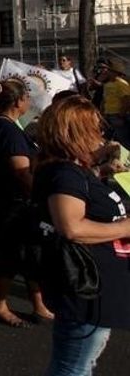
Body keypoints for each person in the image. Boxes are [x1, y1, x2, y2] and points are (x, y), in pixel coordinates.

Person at [33, 95, 130, 375]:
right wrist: (125, 227)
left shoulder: (73, 171)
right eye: (94, 128)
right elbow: (71, 227)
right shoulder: (65, 174)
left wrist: (100, 171)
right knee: (73, 367)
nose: (101, 134)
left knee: (81, 362)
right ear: (76, 132)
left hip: (96, 287)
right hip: (84, 289)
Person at [0, 78, 53, 327]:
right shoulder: (7, 128)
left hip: (16, 202)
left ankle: (39, 303)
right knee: (8, 254)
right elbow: (21, 171)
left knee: (30, 254)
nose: (29, 102)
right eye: (26, 97)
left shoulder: (7, 124)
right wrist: (42, 197)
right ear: (17, 102)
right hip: (12, 203)